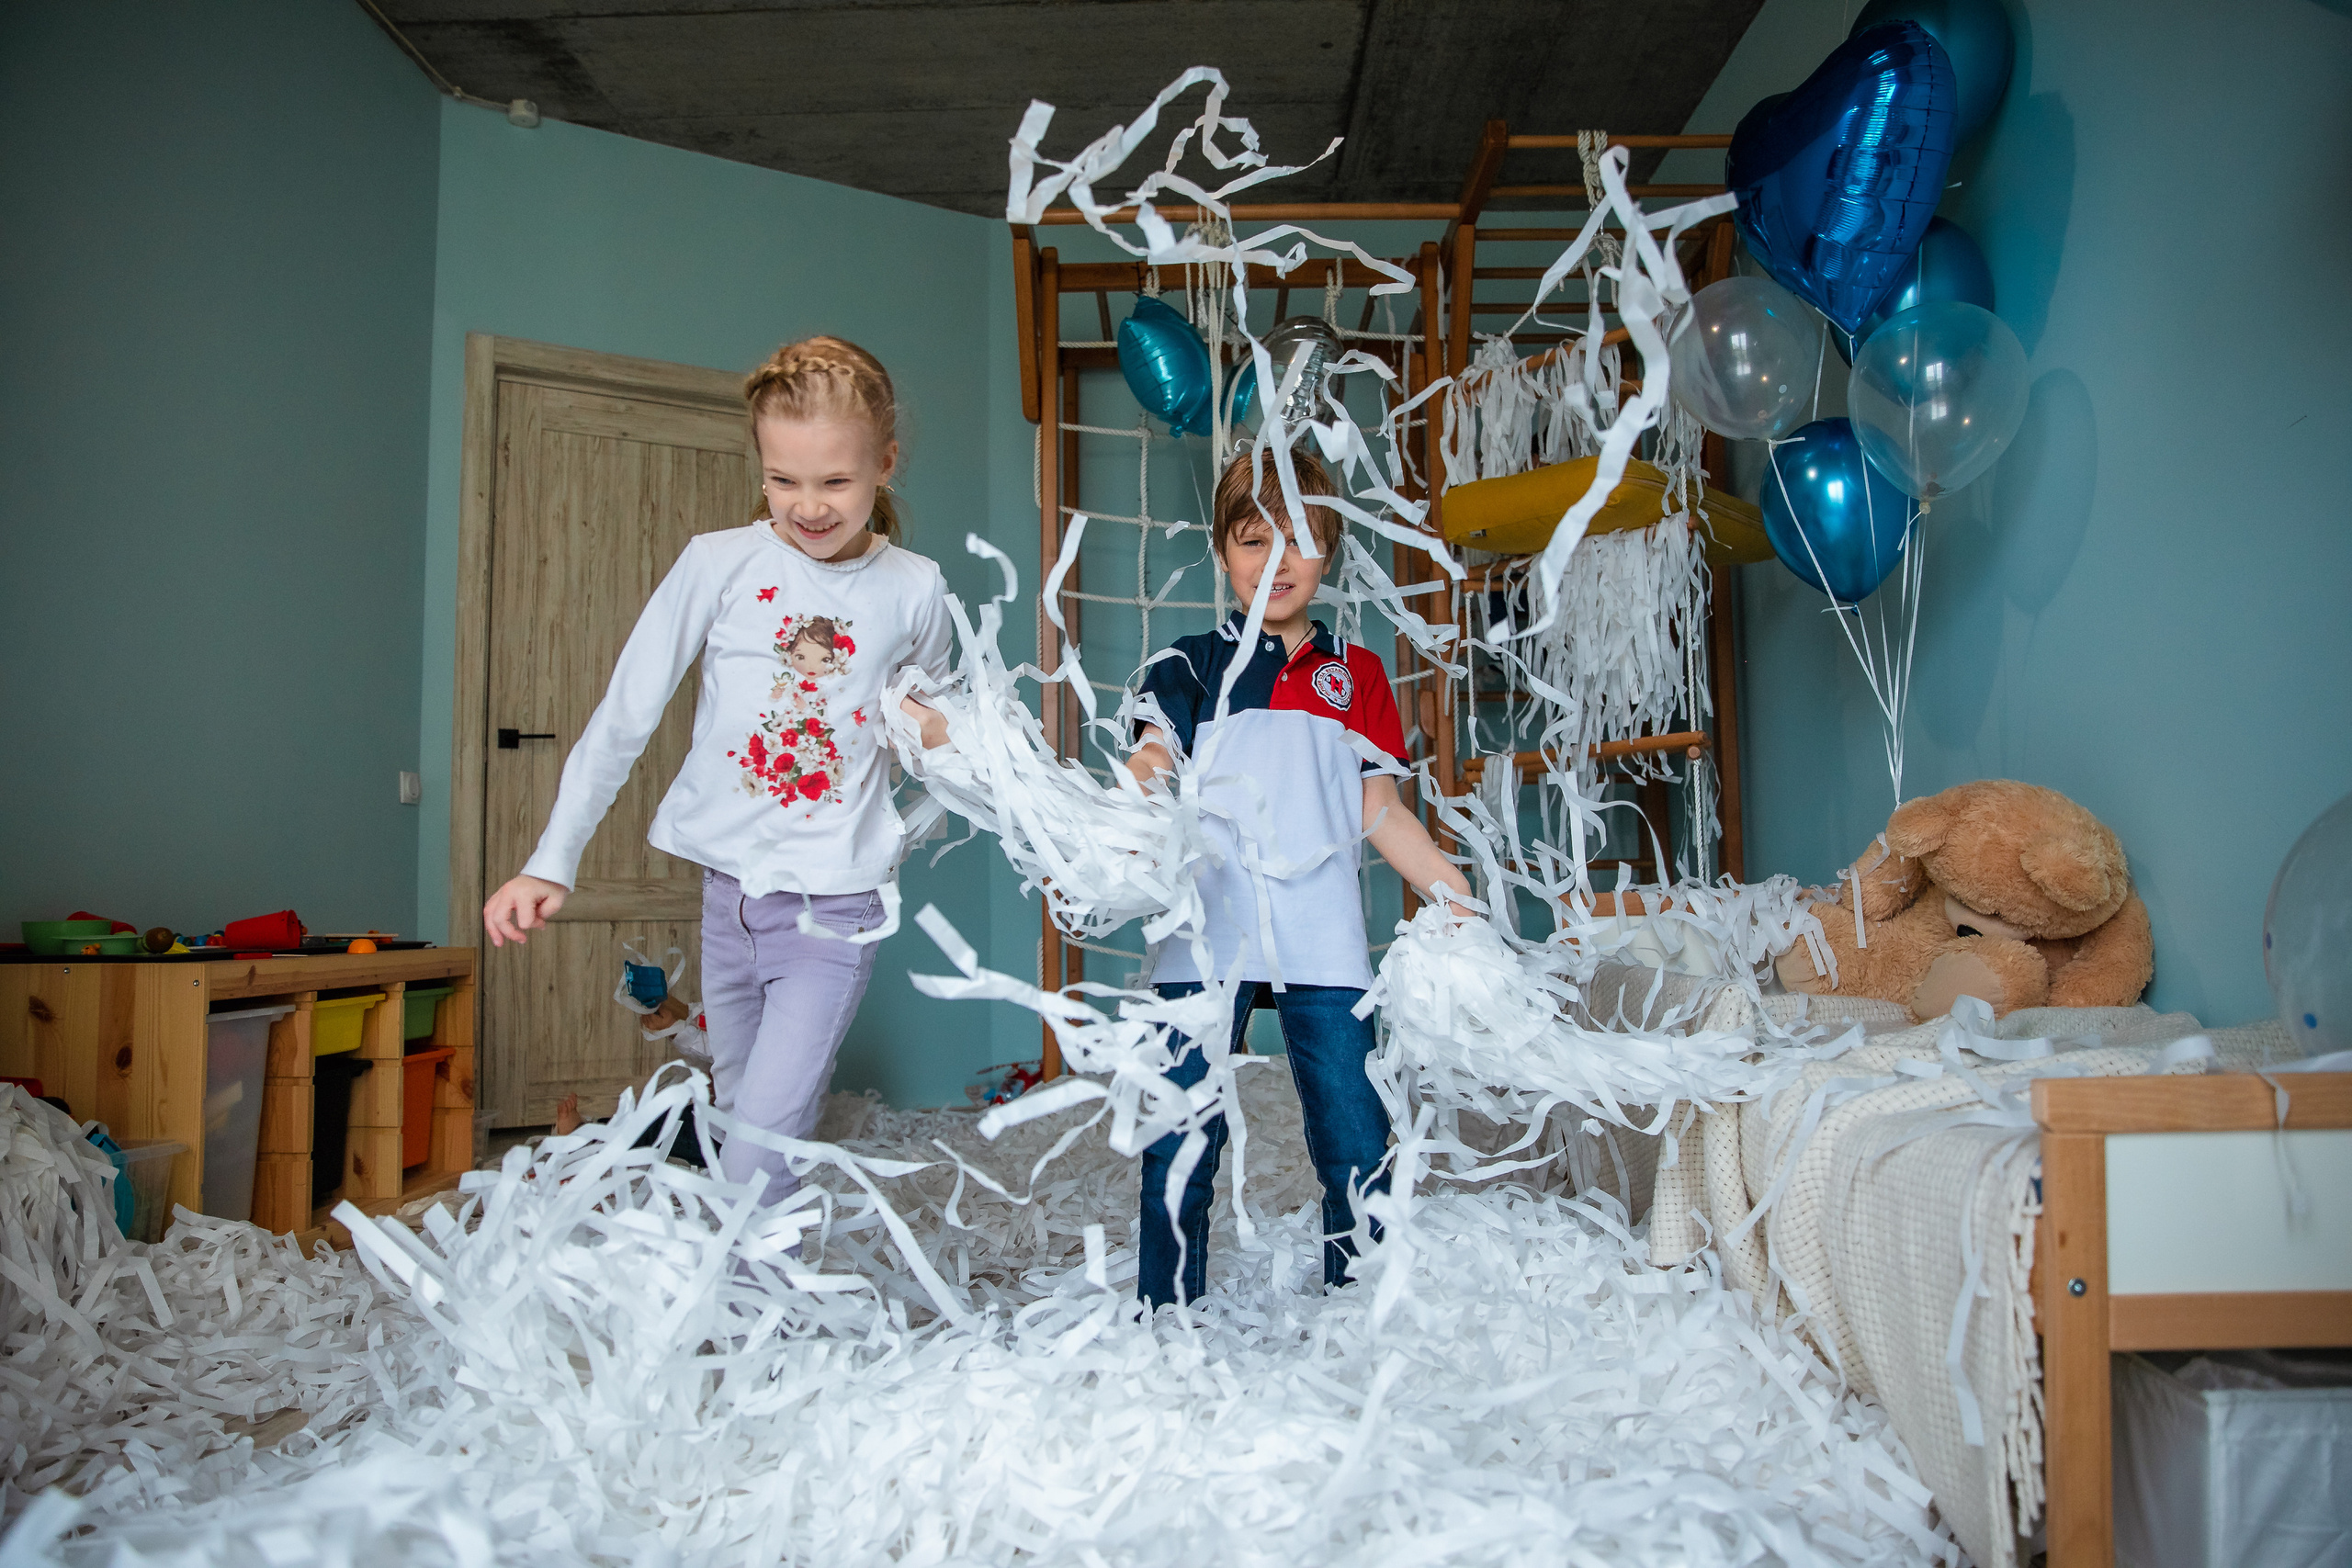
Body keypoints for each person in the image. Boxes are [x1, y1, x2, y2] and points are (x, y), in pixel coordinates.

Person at [482, 336, 953, 1208]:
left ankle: (752, 1328)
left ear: (885, 464)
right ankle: (748, 1314)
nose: (808, 506)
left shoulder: (916, 589)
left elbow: (930, 733)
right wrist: (552, 858)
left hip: (833, 910)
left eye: (836, 482)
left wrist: (936, 731)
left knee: (763, 1142)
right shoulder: (717, 562)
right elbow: (624, 716)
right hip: (726, 901)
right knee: (737, 1115)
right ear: (761, 464)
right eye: (784, 479)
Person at [1125, 448, 1473, 1308]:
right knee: (1180, 1131)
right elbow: (1152, 759)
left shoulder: (1356, 674)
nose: (1275, 563)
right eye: (1252, 541)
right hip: (1209, 933)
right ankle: (1167, 1310)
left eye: (1300, 540)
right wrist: (1132, 805)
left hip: (1322, 929)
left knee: (1356, 1125)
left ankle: (1362, 1300)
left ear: (1332, 548)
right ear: (1221, 551)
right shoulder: (1189, 665)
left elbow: (1378, 810)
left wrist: (1450, 887)